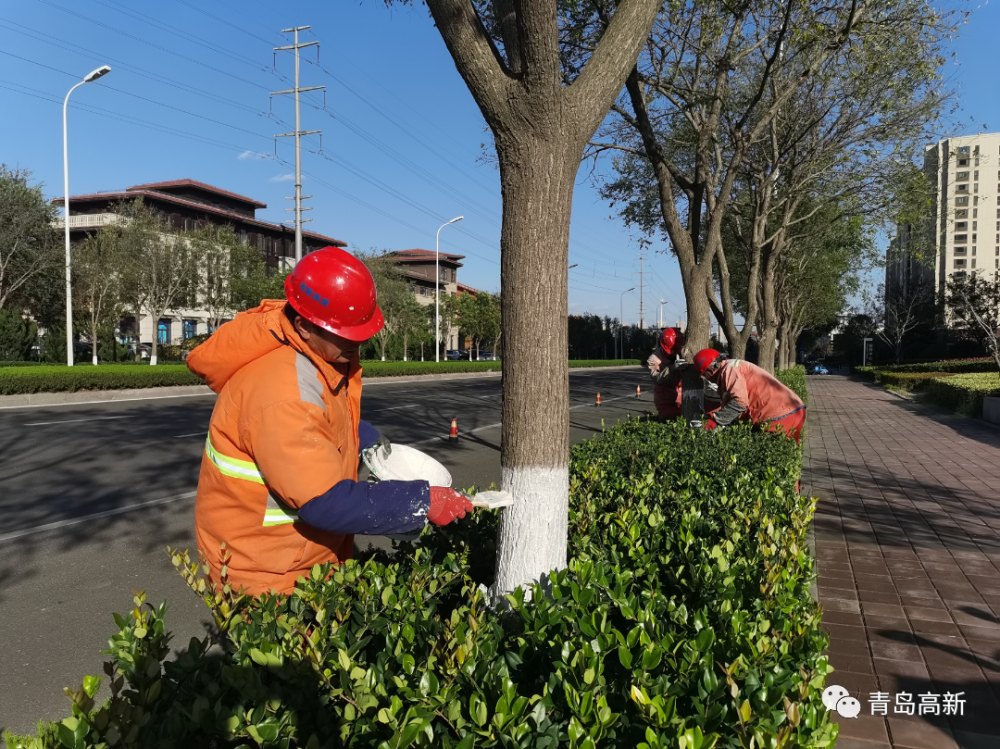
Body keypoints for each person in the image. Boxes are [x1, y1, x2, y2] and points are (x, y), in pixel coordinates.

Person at [186, 247, 473, 596]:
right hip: (264, 576)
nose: (359, 341)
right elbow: (323, 502)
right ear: (305, 326)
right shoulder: (281, 390)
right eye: (347, 334)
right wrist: (422, 501)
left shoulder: (315, 357)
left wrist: (361, 438)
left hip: (289, 558)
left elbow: (316, 423)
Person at [692, 348, 806, 444]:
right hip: (793, 410)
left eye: (704, 375)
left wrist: (715, 421)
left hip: (780, 416)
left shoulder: (730, 370)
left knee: (770, 461)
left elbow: (739, 402)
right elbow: (733, 401)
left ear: (710, 370)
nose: (706, 378)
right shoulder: (731, 366)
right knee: (787, 453)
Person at [647, 328, 721, 418]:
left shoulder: (684, 352)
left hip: (685, 398)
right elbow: (657, 378)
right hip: (667, 402)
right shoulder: (654, 360)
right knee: (670, 421)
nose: (675, 354)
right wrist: (672, 369)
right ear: (663, 346)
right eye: (672, 352)